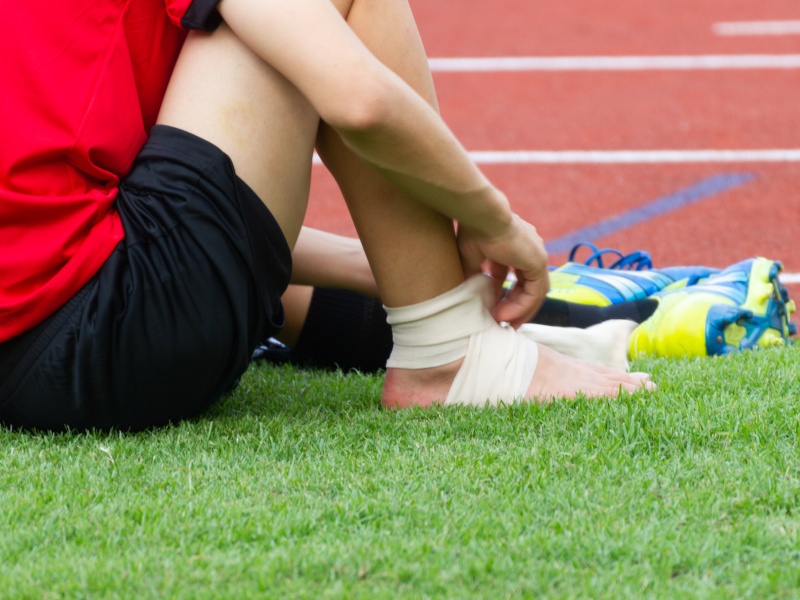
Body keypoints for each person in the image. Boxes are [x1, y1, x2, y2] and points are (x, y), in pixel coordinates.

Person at [0, 0, 653, 432]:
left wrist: (379, 267)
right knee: (320, 18)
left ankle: (467, 318)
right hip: (107, 343)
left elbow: (70, 224)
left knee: (311, 301)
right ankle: (448, 355)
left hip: (21, 356)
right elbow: (357, 97)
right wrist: (493, 218)